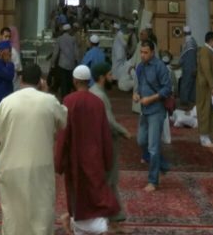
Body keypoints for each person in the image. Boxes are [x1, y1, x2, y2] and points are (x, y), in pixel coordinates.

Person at [0, 62, 67, 235]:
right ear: (41, 81)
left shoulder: (7, 102)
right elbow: (63, 121)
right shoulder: (49, 101)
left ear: (20, 79)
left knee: (13, 213)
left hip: (11, 167)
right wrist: (47, 92)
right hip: (40, 168)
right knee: (41, 212)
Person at [55, 64, 119, 234]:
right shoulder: (97, 102)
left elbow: (63, 133)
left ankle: (76, 224)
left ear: (75, 81)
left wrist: (59, 161)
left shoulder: (69, 101)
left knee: (78, 195)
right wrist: (108, 159)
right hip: (95, 157)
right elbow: (105, 133)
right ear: (88, 80)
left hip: (75, 158)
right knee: (96, 194)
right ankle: (88, 226)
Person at [90, 62, 131, 222]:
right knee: (110, 179)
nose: (112, 78)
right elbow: (109, 121)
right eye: (109, 75)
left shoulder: (95, 92)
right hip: (106, 141)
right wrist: (124, 132)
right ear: (101, 77)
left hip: (98, 141)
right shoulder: (99, 95)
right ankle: (113, 213)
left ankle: (111, 212)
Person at [133, 39, 172, 191]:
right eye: (141, 52)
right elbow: (138, 86)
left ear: (152, 52)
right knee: (141, 140)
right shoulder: (140, 67)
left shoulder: (160, 67)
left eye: (145, 52)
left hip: (156, 110)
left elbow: (167, 89)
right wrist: (136, 94)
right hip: (145, 110)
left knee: (153, 147)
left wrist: (152, 98)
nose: (142, 55)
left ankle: (153, 181)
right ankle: (162, 165)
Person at [51, 23, 79, 101]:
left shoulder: (59, 39)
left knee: (63, 82)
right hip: (71, 64)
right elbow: (76, 52)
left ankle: (64, 99)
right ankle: (69, 98)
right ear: (69, 30)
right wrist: (77, 61)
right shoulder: (73, 39)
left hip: (62, 64)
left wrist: (52, 63)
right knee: (69, 81)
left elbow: (55, 52)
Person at [178, 25, 198, 109]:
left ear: (184, 33)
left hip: (189, 68)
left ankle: (185, 102)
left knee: (186, 85)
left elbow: (189, 57)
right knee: (191, 85)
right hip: (190, 67)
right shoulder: (192, 41)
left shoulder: (189, 44)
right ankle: (190, 101)